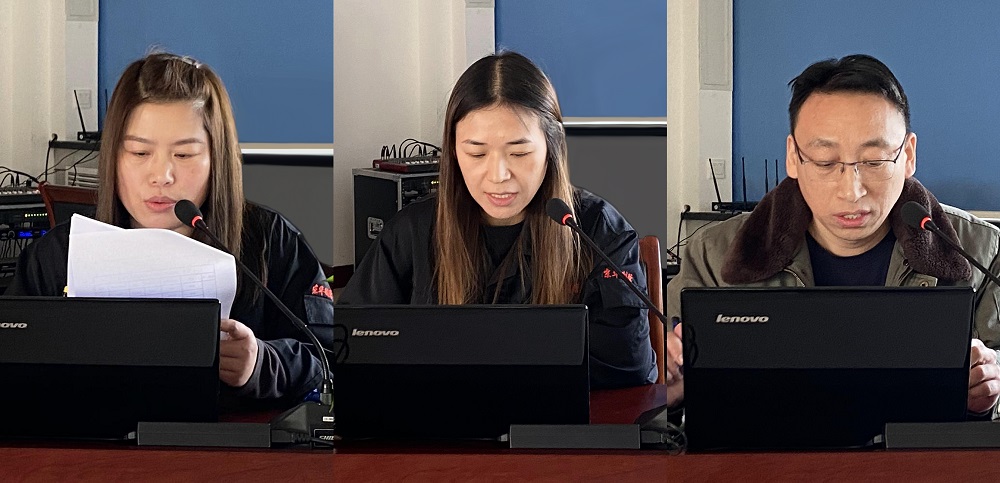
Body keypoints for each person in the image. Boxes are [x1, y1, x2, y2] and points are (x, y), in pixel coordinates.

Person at [665, 54, 1000, 418]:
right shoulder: (714, 255)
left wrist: (991, 389)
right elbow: (671, 409)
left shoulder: (980, 251)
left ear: (908, 155)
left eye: (874, 161)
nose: (851, 191)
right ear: (793, 157)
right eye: (825, 163)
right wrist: (671, 389)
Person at [5, 53, 334, 407]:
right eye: (139, 153)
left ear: (217, 159)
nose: (161, 176)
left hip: (231, 438)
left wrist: (261, 365)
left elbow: (327, 355)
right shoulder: (59, 254)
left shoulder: (272, 242)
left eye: (184, 155)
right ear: (114, 156)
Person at [338, 51, 657, 388]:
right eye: (476, 153)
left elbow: (628, 366)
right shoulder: (411, 231)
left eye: (519, 153)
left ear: (551, 148)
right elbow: (353, 346)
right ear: (453, 151)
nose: (498, 175)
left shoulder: (598, 230)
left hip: (556, 418)